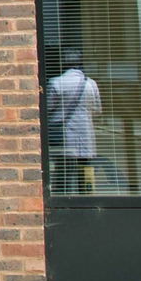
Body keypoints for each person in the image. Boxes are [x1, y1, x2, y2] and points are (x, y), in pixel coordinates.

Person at [45, 50, 101, 195]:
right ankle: (87, 197)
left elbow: (48, 108)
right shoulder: (91, 83)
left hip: (65, 136)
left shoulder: (56, 83)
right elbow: (97, 110)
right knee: (86, 170)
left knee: (64, 173)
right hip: (86, 135)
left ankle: (64, 200)